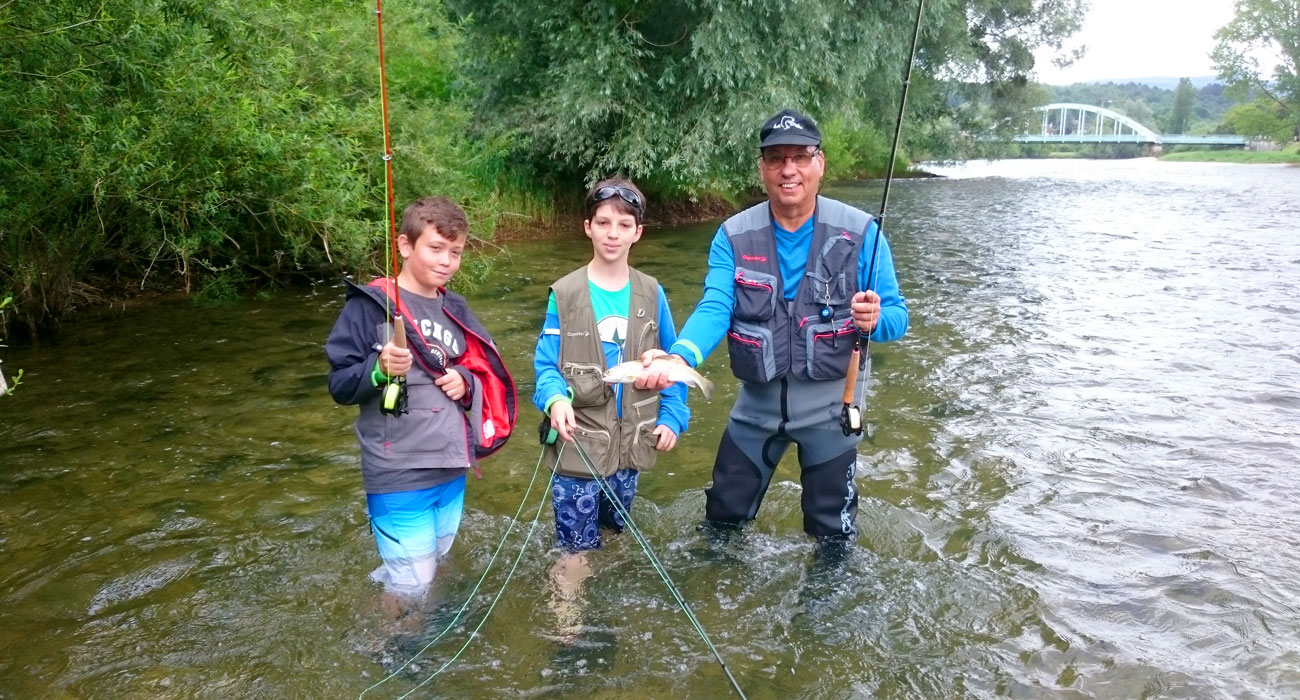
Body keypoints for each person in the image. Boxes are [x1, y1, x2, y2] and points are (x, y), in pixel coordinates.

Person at [636, 109, 908, 541]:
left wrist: (877, 319)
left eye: (800, 157)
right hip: (756, 408)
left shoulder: (864, 233)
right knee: (721, 518)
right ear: (762, 168)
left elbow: (898, 317)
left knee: (832, 535)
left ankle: (825, 605)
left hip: (831, 408)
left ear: (820, 163)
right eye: (776, 158)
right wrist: (678, 356)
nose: (788, 170)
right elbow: (716, 305)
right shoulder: (733, 234)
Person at [326, 196, 516, 599]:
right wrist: (378, 371)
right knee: (411, 585)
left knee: (433, 569)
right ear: (404, 245)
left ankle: (419, 639)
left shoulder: (457, 308)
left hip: (450, 467)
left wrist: (465, 380)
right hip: (398, 472)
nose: (446, 260)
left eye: (456, 252)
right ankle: (390, 651)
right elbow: (340, 384)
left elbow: (480, 366)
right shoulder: (369, 307)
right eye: (435, 248)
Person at [532, 178, 689, 633]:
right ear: (588, 227)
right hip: (577, 446)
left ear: (638, 232)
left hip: (631, 449)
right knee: (576, 549)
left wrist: (673, 418)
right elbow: (545, 366)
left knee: (613, 534)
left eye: (624, 224)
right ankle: (568, 631)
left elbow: (673, 363)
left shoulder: (652, 292)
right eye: (603, 223)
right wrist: (555, 398)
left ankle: (598, 607)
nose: (613, 233)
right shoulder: (563, 293)